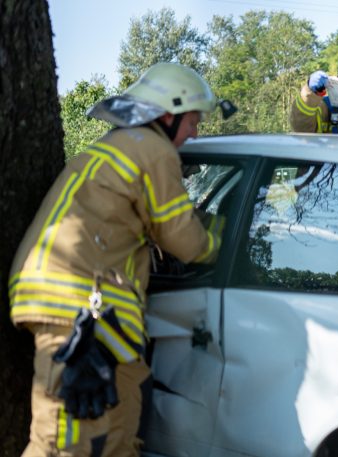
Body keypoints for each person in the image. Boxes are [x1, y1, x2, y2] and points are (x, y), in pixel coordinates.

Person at [9, 62, 225, 456]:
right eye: (193, 120)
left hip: (89, 313)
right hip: (77, 312)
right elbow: (184, 240)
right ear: (168, 114)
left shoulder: (120, 145)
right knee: (63, 443)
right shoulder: (153, 150)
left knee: (119, 434)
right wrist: (220, 241)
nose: (196, 131)